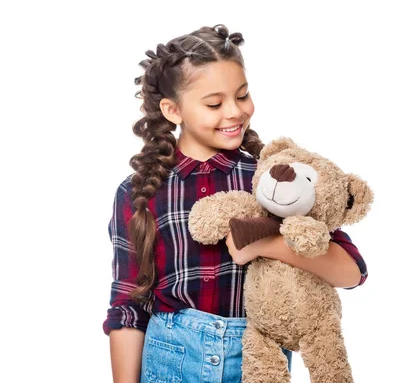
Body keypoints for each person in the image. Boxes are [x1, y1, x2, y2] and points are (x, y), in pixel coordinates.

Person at [103, 24, 368, 383]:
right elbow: (127, 306)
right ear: (172, 110)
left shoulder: (273, 180)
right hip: (170, 360)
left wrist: (268, 245)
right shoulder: (141, 193)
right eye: (214, 103)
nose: (235, 112)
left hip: (257, 360)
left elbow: (352, 271)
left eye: (242, 96)